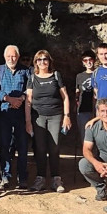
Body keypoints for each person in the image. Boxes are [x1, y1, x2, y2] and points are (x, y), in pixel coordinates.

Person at [25, 50, 71, 193]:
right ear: (35, 62)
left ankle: (56, 179)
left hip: (55, 115)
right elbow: (28, 101)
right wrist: (28, 121)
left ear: (49, 61)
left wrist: (67, 115)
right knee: (40, 148)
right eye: (39, 60)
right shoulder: (32, 78)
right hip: (38, 117)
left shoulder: (56, 76)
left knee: (54, 147)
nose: (42, 62)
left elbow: (65, 97)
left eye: (45, 59)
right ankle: (40, 178)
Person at [0, 45, 30, 189]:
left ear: (18, 57)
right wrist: (8, 99)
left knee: (22, 145)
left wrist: (21, 98)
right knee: (4, 145)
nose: (11, 59)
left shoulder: (26, 71)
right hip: (4, 112)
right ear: (4, 57)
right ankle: (5, 176)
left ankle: (22, 177)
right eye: (8, 56)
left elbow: (30, 88)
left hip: (21, 112)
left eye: (13, 56)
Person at [75, 50, 97, 132]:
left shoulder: (99, 73)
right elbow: (77, 91)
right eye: (85, 60)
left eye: (90, 59)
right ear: (82, 62)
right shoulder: (79, 76)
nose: (88, 62)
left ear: (94, 60)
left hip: (97, 109)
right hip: (83, 110)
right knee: (84, 136)